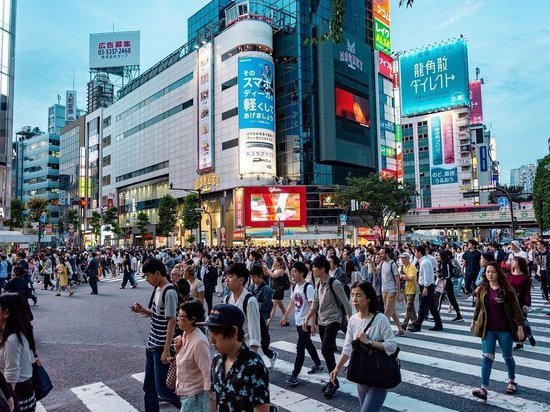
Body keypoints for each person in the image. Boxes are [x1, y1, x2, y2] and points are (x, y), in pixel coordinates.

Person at [330, 281, 397, 412]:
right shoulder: (353, 320)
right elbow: (347, 347)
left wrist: (368, 342)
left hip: (379, 376)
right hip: (362, 374)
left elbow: (392, 346)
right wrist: (337, 368)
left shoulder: (381, 319)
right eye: (352, 295)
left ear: (368, 298)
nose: (354, 299)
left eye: (359, 295)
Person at [198, 303, 270, 412]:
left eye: (216, 333)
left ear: (234, 332)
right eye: (210, 331)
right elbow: (213, 398)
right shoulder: (217, 360)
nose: (211, 339)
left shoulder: (253, 365)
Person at [131, 258, 181, 411]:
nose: (147, 279)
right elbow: (158, 315)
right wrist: (143, 310)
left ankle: (188, 408)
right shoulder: (158, 289)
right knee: (149, 387)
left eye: (148, 275)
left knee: (163, 388)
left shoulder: (169, 291)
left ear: (157, 274)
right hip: (152, 344)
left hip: (161, 346)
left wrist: (166, 350)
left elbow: (172, 321)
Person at [470, 261, 524, 400]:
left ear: (498, 273)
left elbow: (516, 310)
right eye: (487, 272)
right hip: (488, 329)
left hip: (504, 329)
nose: (490, 274)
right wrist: (473, 321)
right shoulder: (483, 289)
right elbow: (478, 307)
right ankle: (483, 388)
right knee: (487, 357)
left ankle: (512, 381)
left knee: (507, 356)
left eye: (493, 272)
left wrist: (520, 327)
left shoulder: (507, 290)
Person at [304, 256, 353, 399]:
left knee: (325, 349)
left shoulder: (335, 283)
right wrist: (308, 319)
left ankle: (334, 381)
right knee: (328, 351)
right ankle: (332, 379)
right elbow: (315, 304)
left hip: (334, 319)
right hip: (322, 320)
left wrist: (351, 321)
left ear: (322, 269)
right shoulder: (319, 284)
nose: (312, 269)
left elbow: (346, 303)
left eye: (315, 267)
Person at [224, 263, 278, 368]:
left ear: (241, 280)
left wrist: (252, 361)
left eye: (230, 277)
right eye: (227, 276)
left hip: (246, 349)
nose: (227, 280)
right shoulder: (227, 299)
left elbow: (255, 333)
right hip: (233, 348)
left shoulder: (250, 301)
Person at [280, 261, 323, 387]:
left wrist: (313, 324)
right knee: (307, 343)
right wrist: (285, 316)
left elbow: (313, 306)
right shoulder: (295, 287)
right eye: (291, 271)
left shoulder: (308, 287)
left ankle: (294, 375)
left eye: (294, 272)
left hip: (307, 322)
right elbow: (292, 302)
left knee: (300, 347)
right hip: (299, 321)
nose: (292, 274)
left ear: (302, 273)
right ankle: (318, 364)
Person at [0, 293, 38, 411]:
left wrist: (9, 401)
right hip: (22, 390)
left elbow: (11, 374)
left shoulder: (12, 340)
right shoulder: (17, 332)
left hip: (17, 394)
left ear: (6, 313)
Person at [174, 300, 211, 412]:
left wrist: (207, 402)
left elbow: (207, 373)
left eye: (181, 316)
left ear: (193, 318)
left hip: (195, 397)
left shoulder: (199, 342)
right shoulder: (186, 334)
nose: (177, 319)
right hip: (185, 394)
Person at [407, 245, 443, 332]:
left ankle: (418, 325)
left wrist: (425, 287)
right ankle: (438, 324)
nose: (414, 253)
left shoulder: (424, 262)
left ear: (419, 252)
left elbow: (427, 275)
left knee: (422, 307)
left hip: (426, 286)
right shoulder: (423, 261)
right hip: (427, 286)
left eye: (415, 251)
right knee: (432, 307)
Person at [508, 257, 535, 351]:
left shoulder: (525, 277)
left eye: (514, 261)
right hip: (510, 302)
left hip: (521, 302)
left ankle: (520, 342)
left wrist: (527, 304)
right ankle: (528, 333)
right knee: (512, 321)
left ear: (519, 264)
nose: (512, 262)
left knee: (520, 321)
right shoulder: (509, 275)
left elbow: (527, 292)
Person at [379, 247, 405, 335]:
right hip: (384, 291)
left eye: (382, 253)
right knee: (392, 311)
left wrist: (399, 293)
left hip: (391, 292)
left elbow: (397, 280)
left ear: (386, 254)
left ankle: (384, 334)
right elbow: (375, 271)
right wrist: (370, 262)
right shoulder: (382, 263)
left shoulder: (392, 264)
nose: (380, 255)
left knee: (386, 314)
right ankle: (400, 329)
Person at [436, 250, 462, 322]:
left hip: (446, 282)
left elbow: (448, 275)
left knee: (440, 297)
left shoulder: (446, 263)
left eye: (438, 255)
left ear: (442, 256)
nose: (437, 256)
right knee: (451, 298)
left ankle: (436, 315)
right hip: (446, 282)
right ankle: (459, 315)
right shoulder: (442, 263)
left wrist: (440, 275)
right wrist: (438, 271)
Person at [262, 257, 288, 326]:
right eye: (274, 261)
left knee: (273, 306)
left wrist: (267, 268)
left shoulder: (281, 270)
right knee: (281, 306)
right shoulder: (274, 269)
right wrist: (265, 267)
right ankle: (286, 319)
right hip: (275, 289)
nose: (274, 262)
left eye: (276, 261)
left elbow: (273, 276)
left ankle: (268, 322)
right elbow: (267, 274)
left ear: (279, 263)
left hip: (278, 290)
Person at [399, 252, 417, 329]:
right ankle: (415, 320)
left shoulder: (412, 267)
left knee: (408, 307)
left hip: (411, 289)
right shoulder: (401, 267)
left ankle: (404, 324)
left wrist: (403, 276)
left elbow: (411, 278)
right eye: (401, 258)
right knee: (411, 307)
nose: (402, 260)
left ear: (408, 259)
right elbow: (398, 276)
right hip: (405, 289)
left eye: (404, 258)